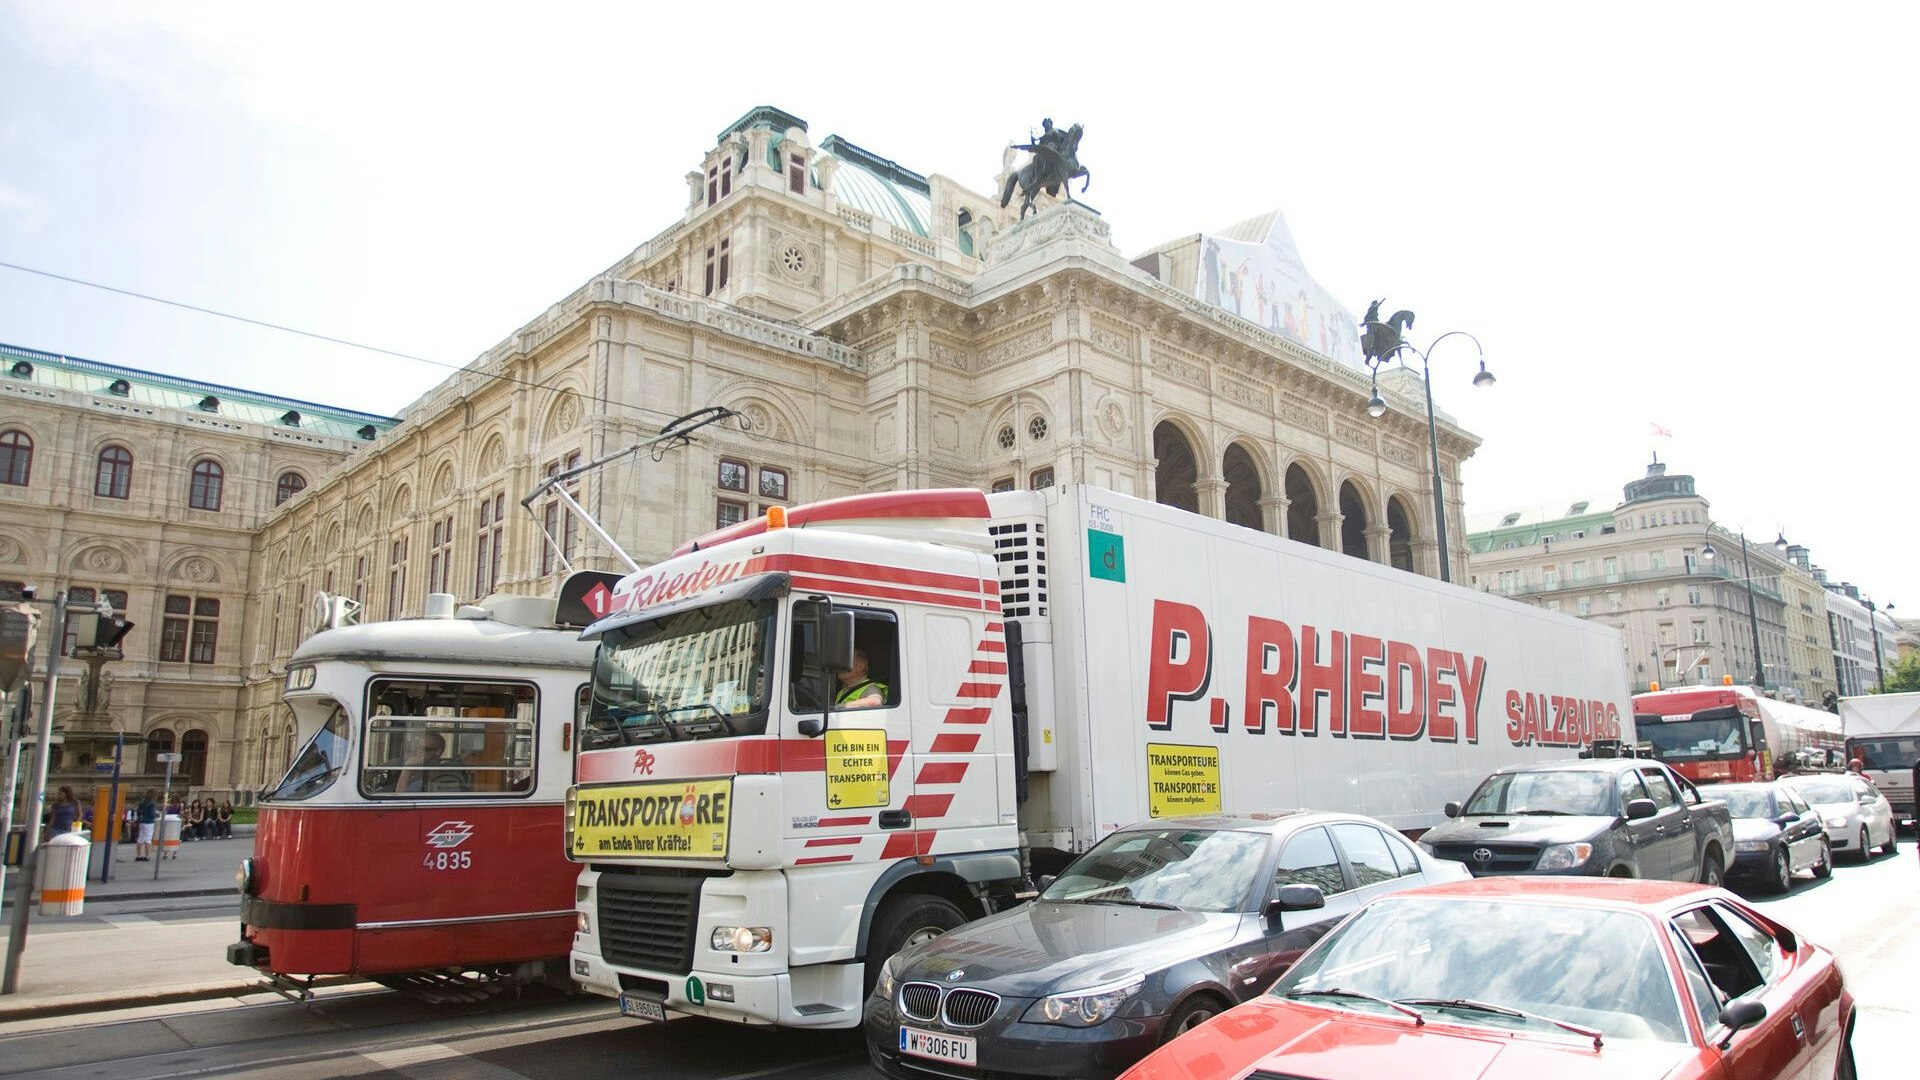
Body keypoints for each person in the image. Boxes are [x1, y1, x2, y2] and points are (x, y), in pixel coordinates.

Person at [135, 789, 159, 861]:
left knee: (140, 838)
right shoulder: (152, 803)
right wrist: (156, 814)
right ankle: (147, 856)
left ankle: (138, 855)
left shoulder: (142, 802)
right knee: (148, 839)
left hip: (142, 821)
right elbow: (152, 814)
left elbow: (138, 812)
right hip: (149, 822)